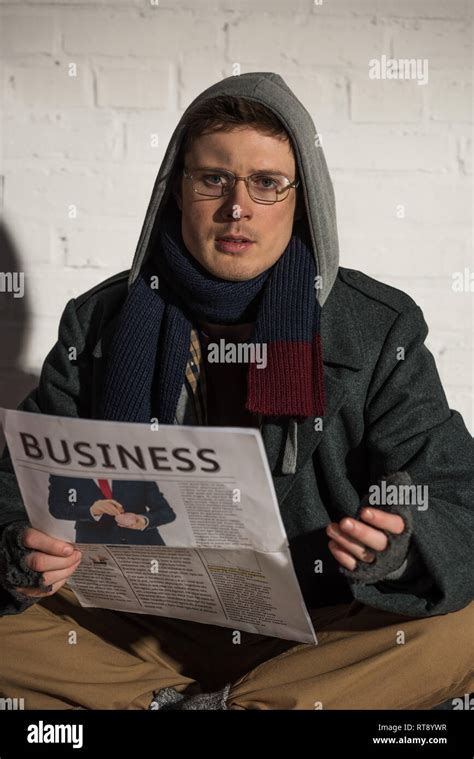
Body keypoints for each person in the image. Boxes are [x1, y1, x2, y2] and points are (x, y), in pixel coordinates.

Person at [0, 72, 473, 711]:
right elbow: (16, 481)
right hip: (144, 629)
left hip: (318, 632)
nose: (236, 208)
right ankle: (225, 705)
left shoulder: (377, 326)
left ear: (301, 199)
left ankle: (198, 705)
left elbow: (454, 494)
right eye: (213, 179)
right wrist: (20, 552)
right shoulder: (99, 320)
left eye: (266, 183)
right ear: (177, 191)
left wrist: (400, 548)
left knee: (462, 627)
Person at [47, 474, 176, 545]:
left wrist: (143, 521)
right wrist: (91, 511)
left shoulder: (135, 469)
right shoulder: (64, 472)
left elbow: (166, 512)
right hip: (96, 546)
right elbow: (56, 508)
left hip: (145, 544)